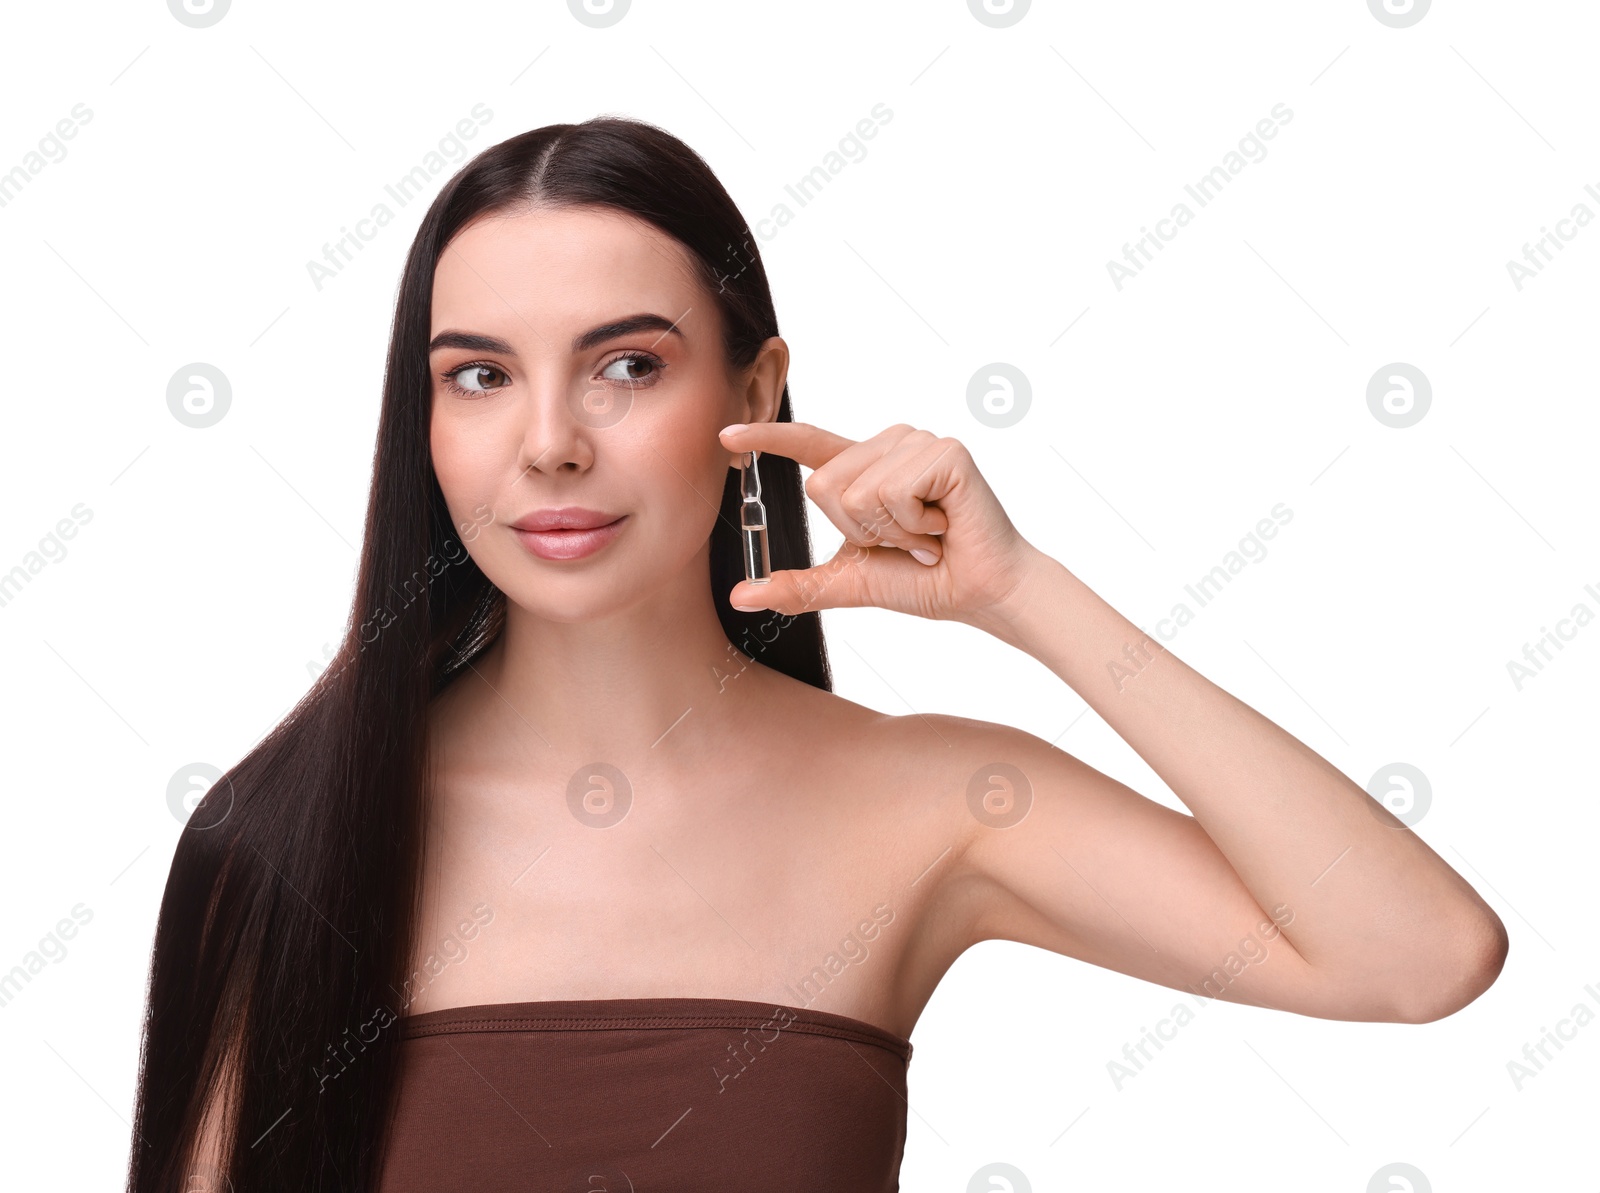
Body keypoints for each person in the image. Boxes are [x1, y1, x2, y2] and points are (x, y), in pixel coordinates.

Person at [125, 115, 1508, 1192]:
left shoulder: (936, 806)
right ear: (423, 421)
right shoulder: (289, 840)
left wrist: (1022, 595)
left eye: (625, 365)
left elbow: (1418, 954)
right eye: (479, 375)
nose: (548, 438)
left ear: (756, 391)